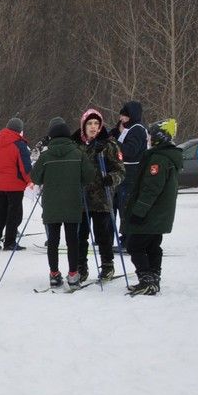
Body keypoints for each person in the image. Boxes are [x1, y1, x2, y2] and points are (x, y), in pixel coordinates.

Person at [32, 117, 96, 289]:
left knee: (52, 240)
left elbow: (35, 177)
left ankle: (54, 274)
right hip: (72, 202)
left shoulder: (45, 156)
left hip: (51, 204)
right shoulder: (78, 154)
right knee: (72, 240)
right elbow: (90, 176)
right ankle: (73, 274)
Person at [121, 119, 181, 296]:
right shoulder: (165, 156)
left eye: (151, 136)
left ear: (159, 138)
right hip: (159, 214)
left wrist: (138, 212)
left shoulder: (159, 159)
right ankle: (153, 278)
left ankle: (147, 278)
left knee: (134, 245)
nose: (148, 139)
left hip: (151, 214)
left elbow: (151, 189)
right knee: (153, 246)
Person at [74, 108, 123, 281]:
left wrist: (111, 178)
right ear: (84, 125)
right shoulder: (76, 145)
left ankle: (107, 266)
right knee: (80, 236)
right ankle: (81, 267)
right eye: (90, 123)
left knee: (103, 235)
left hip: (102, 199)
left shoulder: (108, 144)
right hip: (81, 200)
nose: (93, 127)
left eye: (96, 123)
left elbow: (120, 170)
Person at [0, 117, 32, 251]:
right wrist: (30, 180)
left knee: (0, 214)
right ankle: (9, 242)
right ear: (20, 130)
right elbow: (25, 167)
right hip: (16, 185)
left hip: (0, 184)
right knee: (13, 214)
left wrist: (0, 176)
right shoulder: (19, 144)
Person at [111, 101, 148, 227]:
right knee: (118, 204)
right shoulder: (128, 128)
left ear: (131, 115)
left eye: (123, 116)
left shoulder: (137, 129)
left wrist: (114, 143)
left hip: (131, 174)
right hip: (123, 173)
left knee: (125, 206)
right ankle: (119, 235)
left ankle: (126, 237)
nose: (121, 119)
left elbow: (130, 151)